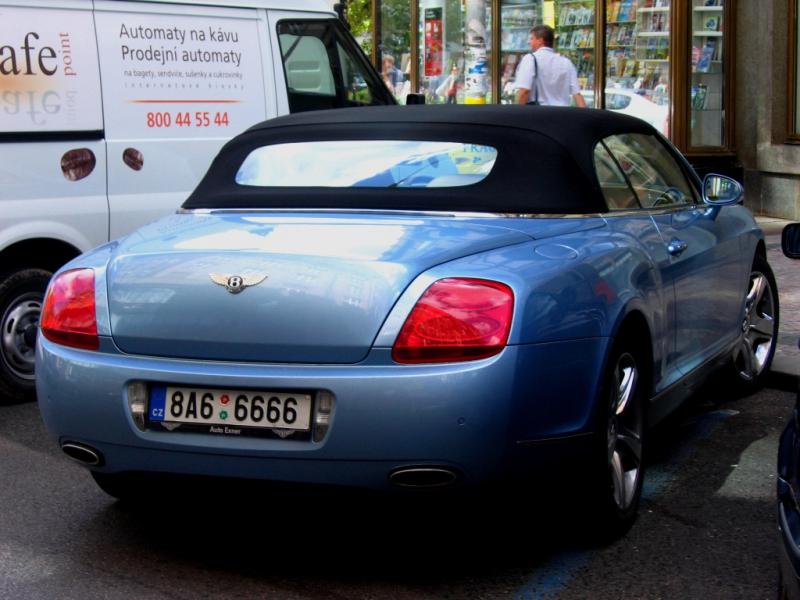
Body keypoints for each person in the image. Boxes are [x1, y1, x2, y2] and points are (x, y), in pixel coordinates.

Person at [514, 25, 587, 108]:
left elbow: (524, 91)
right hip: (562, 114)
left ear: (540, 41)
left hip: (540, 113)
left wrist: (515, 114)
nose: (529, 42)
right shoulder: (566, 62)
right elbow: (577, 94)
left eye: (531, 38)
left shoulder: (530, 59)